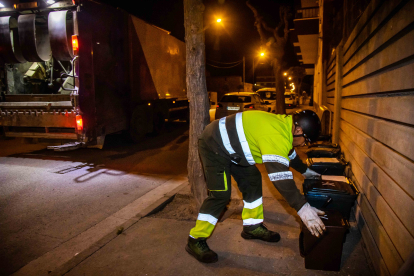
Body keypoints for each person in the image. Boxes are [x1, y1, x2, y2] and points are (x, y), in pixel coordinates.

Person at [185, 110, 326, 263]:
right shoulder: (275, 135)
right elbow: (281, 178)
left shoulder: (285, 127)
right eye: (305, 140)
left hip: (234, 148)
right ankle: (195, 239)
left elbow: (290, 154)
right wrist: (303, 208)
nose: (304, 144)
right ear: (298, 130)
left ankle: (252, 227)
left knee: (252, 179)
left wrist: (306, 171)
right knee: (220, 195)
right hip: (214, 145)